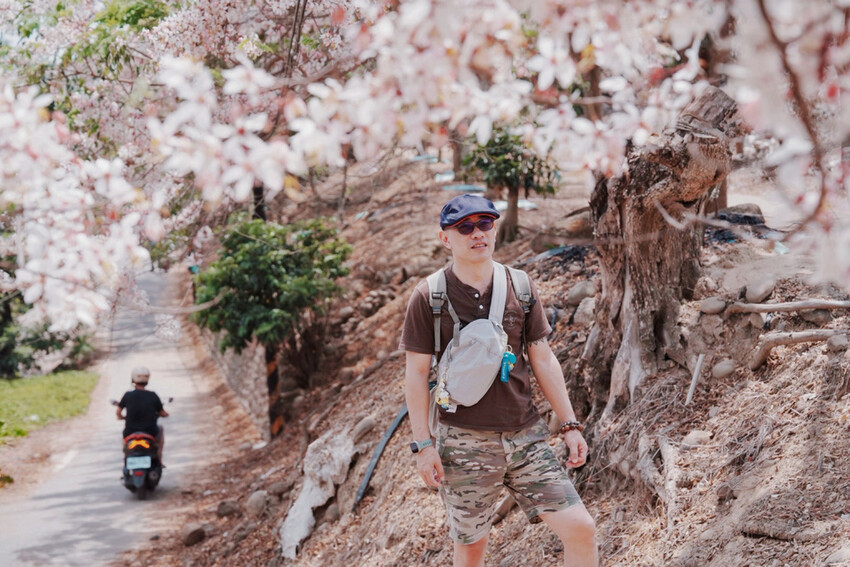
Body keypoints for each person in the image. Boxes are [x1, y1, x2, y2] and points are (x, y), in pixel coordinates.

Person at [400, 194, 599, 567]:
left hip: (525, 437)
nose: (478, 233)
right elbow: (415, 373)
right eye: (465, 227)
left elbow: (542, 356)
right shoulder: (429, 296)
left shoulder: (520, 286)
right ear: (446, 238)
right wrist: (423, 446)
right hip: (464, 443)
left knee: (581, 528)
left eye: (485, 224)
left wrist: (570, 424)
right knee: (472, 550)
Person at [116, 366, 169, 464]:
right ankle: (159, 458)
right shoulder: (153, 395)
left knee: (124, 443)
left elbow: (118, 412)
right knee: (160, 428)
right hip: (150, 432)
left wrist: (121, 417)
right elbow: (162, 413)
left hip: (130, 432)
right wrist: (165, 414)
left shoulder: (127, 395)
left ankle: (125, 461)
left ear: (133, 379)